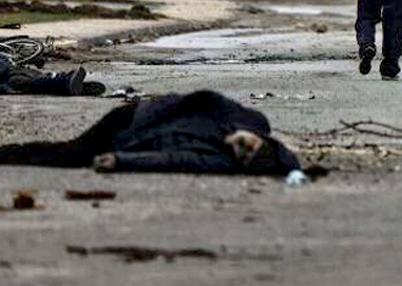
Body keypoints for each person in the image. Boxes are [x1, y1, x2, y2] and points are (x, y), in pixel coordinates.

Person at [0, 90, 301, 175]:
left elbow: (174, 159)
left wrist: (121, 161)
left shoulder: (222, 161)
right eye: (248, 146)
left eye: (242, 157)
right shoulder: (249, 118)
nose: (239, 148)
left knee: (70, 154)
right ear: (260, 140)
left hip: (130, 137)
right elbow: (206, 97)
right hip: (137, 117)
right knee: (71, 154)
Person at [0, 55, 104, 97]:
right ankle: (65, 84)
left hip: (13, 74)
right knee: (33, 82)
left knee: (28, 83)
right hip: (17, 73)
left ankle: (64, 82)